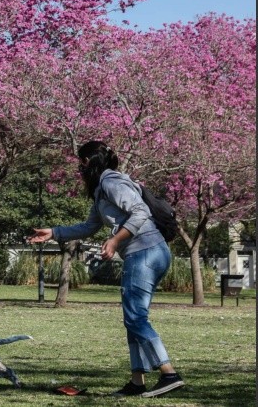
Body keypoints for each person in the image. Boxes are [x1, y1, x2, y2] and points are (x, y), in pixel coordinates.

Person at [27, 140, 184, 398]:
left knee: (135, 317)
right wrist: (54, 232)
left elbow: (140, 212)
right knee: (134, 317)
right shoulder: (103, 189)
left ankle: (169, 373)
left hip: (145, 252)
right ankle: (137, 382)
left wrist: (115, 240)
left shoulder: (111, 182)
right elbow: (89, 226)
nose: (79, 169)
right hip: (151, 252)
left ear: (89, 162)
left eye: (81, 163)